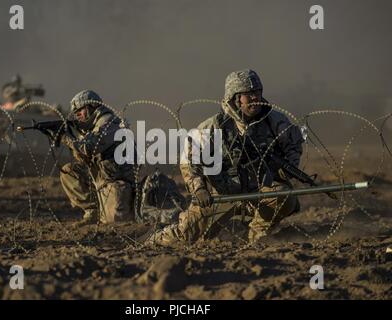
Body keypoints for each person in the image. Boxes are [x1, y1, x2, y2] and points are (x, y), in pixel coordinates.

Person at [145, 69, 304, 245]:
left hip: (259, 193)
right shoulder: (212, 127)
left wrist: (286, 169)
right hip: (220, 196)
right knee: (186, 237)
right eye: (248, 94)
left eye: (258, 92)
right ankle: (155, 239)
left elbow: (293, 145)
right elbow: (189, 162)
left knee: (285, 196)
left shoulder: (275, 121)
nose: (255, 98)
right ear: (234, 98)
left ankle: (257, 236)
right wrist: (199, 189)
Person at [59, 90, 135, 226]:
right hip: (101, 177)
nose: (78, 116)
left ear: (91, 107)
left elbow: (90, 148)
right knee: (69, 171)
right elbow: (84, 158)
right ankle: (93, 211)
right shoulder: (94, 127)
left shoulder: (109, 123)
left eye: (80, 111)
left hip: (117, 179)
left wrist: (68, 139)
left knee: (114, 221)